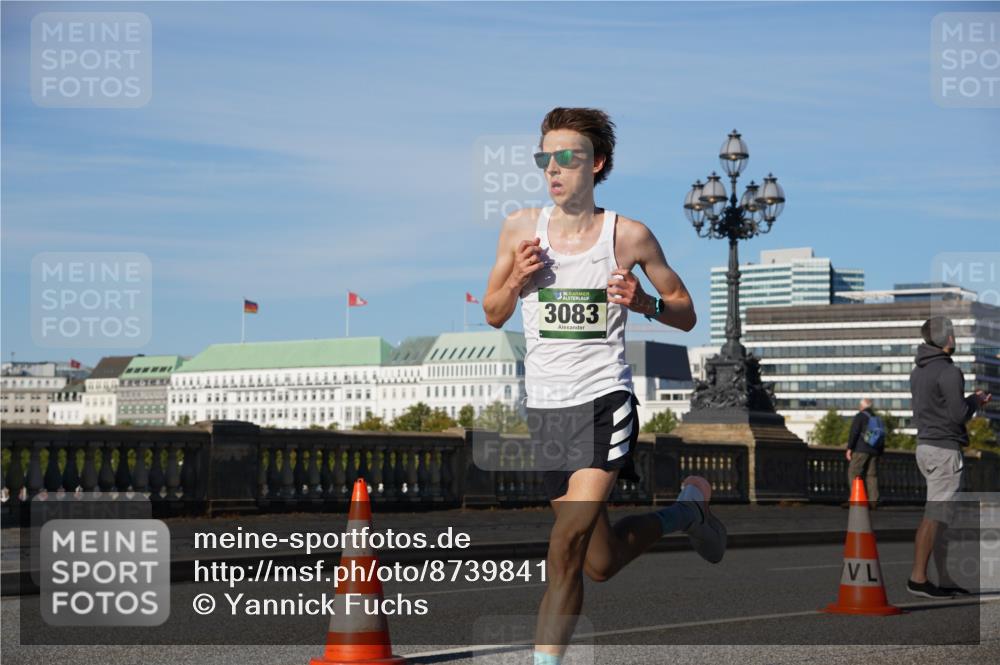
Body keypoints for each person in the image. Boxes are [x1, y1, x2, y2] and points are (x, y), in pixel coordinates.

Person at [483, 107, 726, 665]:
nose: (554, 169)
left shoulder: (629, 236)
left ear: (598, 164)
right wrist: (518, 280)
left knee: (562, 546)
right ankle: (688, 511)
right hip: (545, 411)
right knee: (599, 561)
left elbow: (686, 313)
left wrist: (644, 303)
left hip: (603, 404)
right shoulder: (521, 229)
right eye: (545, 158)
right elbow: (494, 313)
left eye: (567, 158)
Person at [906, 316, 991, 598]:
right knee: (935, 515)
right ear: (948, 340)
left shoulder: (918, 371)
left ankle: (943, 578)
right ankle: (918, 578)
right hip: (944, 450)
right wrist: (976, 401)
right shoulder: (949, 371)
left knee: (941, 517)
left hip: (925, 447)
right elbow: (958, 415)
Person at [845, 398, 882, 509]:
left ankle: (856, 499)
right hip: (874, 450)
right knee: (872, 476)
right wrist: (880, 452)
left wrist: (849, 448)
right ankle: (873, 501)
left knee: (853, 473)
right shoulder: (876, 417)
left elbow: (854, 432)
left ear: (862, 406)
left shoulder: (860, 416)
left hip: (861, 449)